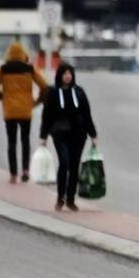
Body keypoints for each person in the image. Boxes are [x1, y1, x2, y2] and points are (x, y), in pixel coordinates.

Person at [40, 63, 98, 212]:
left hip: (78, 134)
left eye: (70, 73)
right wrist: (43, 135)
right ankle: (60, 197)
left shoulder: (79, 92)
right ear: (60, 75)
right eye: (65, 73)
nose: (67, 76)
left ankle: (70, 199)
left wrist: (93, 134)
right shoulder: (52, 92)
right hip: (59, 133)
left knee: (74, 167)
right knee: (64, 163)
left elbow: (87, 114)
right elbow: (47, 115)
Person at [0, 42, 48, 183]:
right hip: (26, 110)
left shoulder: (3, 69)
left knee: (11, 142)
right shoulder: (29, 69)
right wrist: (38, 100)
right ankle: (25, 170)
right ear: (23, 55)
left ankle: (13, 174)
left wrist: (2, 97)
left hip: (10, 111)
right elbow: (44, 86)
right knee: (25, 140)